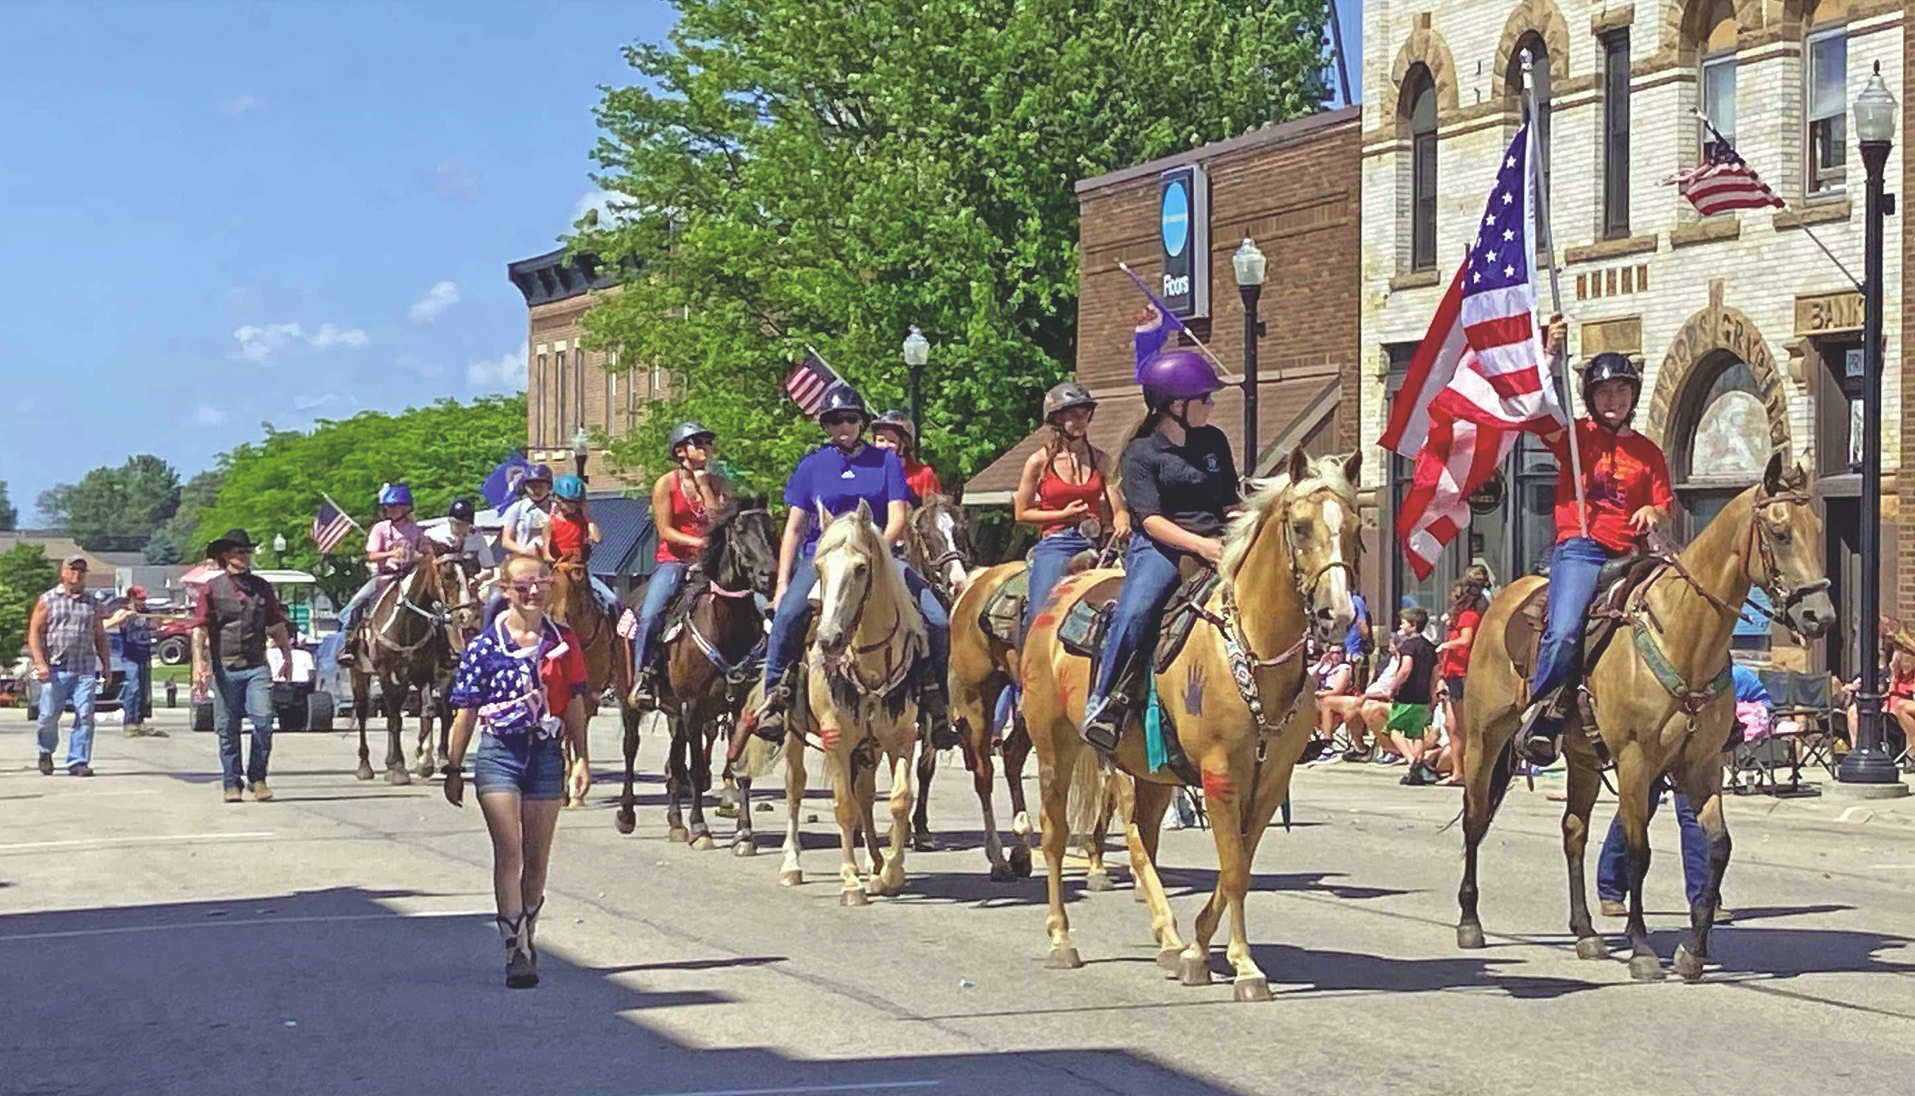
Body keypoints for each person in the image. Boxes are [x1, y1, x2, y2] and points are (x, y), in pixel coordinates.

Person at [751, 384, 951, 740]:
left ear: (862, 423)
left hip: (880, 558)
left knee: (936, 617)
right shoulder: (812, 465)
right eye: (835, 420)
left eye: (851, 419)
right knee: (788, 615)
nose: (844, 426)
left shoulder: (886, 461)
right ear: (826, 426)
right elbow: (795, 529)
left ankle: (938, 706)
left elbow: (897, 518)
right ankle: (775, 701)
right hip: (823, 560)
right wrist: (782, 584)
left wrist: (875, 553)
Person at [1521, 318, 1674, 765]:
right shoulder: (1575, 437)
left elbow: (1664, 502)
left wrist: (1654, 512)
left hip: (1634, 554)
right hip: (1583, 548)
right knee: (1566, 629)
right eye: (1606, 392)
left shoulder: (1648, 452)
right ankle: (1544, 711)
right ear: (1590, 397)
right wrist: (1550, 356)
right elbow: (1535, 409)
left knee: (1688, 610)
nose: (1615, 400)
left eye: (1622, 392)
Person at [442, 554, 591, 989]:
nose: (532, 591)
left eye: (541, 582)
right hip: (500, 752)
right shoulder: (483, 648)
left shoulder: (563, 642)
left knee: (537, 859)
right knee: (510, 851)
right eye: (522, 584)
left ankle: (530, 932)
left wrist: (581, 756)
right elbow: (465, 714)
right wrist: (454, 766)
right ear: (505, 589)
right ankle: (514, 946)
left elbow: (577, 702)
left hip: (546, 752)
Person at [1083, 350, 1238, 752]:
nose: (1211, 405)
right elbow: (1150, 520)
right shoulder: (1141, 453)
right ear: (1176, 406)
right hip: (1161, 548)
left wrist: (1254, 524)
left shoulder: (1214, 441)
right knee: (1136, 611)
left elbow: (1228, 503)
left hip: (1221, 541)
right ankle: (1106, 701)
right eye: (1205, 398)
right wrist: (1202, 545)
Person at [1013, 382, 1129, 635]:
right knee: (1040, 611)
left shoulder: (1101, 460)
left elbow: (1118, 507)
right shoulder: (1038, 462)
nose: (1080, 420)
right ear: (1055, 419)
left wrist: (1121, 522)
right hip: (1057, 542)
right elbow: (1021, 513)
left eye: (1085, 414)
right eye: (1072, 414)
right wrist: (1063, 515)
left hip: (1097, 542)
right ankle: (1029, 662)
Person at [191, 530, 296, 802]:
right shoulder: (212, 588)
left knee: (263, 720)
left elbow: (276, 624)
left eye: (247, 551)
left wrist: (287, 656)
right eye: (240, 551)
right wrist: (199, 664)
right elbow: (200, 630)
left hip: (256, 665)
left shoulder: (262, 587)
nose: (246, 556)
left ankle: (258, 778)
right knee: (227, 727)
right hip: (224, 667)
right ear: (226, 556)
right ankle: (231, 782)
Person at [631, 421, 729, 707]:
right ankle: (644, 676)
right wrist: (698, 543)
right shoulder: (666, 484)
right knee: (651, 613)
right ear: (680, 452)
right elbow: (665, 530)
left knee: (756, 603)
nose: (705, 449)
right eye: (697, 444)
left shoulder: (719, 483)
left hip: (713, 563)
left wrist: (703, 484)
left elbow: (719, 521)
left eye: (706, 444)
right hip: (675, 561)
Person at [27, 555, 113, 776]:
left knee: (85, 714)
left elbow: (100, 636)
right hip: (55, 668)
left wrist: (106, 665)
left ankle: (78, 761)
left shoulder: (92, 603)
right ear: (63, 572)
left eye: (82, 570)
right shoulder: (48, 600)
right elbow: (34, 632)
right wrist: (39, 662)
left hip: (84, 668)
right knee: (48, 716)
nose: (77, 574)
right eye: (72, 569)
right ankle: (45, 751)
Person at [335, 484, 430, 665]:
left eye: (394, 507)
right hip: (385, 577)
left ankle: (443, 646)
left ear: (406, 508)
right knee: (356, 603)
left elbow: (425, 553)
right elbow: (371, 555)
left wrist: (416, 555)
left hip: (410, 576)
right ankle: (348, 645)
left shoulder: (416, 530)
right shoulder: (380, 529)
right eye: (387, 507)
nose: (390, 510)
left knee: (436, 605)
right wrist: (390, 554)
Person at [1431, 566, 1489, 785]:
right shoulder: (1462, 615)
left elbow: (1466, 640)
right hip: (1453, 673)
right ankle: (1458, 772)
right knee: (1452, 727)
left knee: (1462, 727)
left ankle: (1464, 771)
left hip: (1464, 673)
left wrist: (1445, 644)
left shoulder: (1469, 615)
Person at [543, 474, 620, 614]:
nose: (572, 506)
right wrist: (564, 562)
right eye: (568, 502)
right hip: (558, 570)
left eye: (576, 502)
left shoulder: (582, 522)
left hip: (580, 570)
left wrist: (588, 518)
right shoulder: (551, 524)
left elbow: (597, 538)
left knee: (612, 599)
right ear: (557, 499)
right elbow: (546, 555)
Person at [1382, 608, 1439, 784]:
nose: (1400, 625)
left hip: (1407, 695)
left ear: (1413, 626)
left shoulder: (1408, 646)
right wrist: (1432, 696)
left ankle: (1412, 762)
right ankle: (1419, 766)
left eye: (1404, 623)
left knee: (1392, 728)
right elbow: (1435, 674)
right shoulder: (1430, 647)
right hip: (1422, 697)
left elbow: (1406, 668)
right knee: (1417, 733)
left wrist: (1393, 687)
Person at [104, 586, 159, 738]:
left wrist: (156, 624)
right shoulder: (123, 611)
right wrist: (122, 618)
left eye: (144, 598)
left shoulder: (146, 613)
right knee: (133, 686)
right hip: (129, 656)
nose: (143, 601)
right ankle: (129, 722)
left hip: (144, 654)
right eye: (140, 598)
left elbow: (155, 627)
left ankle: (139, 721)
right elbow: (106, 625)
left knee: (143, 690)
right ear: (132, 598)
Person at [872, 410, 943, 504]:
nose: (885, 445)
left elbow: (934, 511)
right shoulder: (868, 472)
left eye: (892, 441)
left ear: (905, 444)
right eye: (881, 440)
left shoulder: (923, 475)